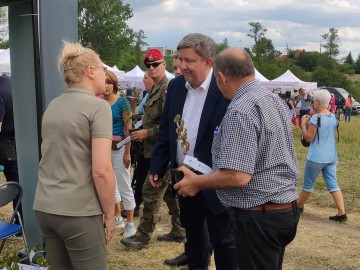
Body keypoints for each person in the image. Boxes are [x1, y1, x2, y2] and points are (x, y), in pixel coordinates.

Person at [174, 47, 300, 270]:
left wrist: (196, 182)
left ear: (221, 77)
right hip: (284, 210)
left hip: (258, 216)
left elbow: (237, 176)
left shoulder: (240, 110)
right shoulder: (273, 101)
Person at [149, 33, 237, 270]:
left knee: (224, 240)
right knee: (195, 235)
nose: (182, 66)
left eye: (189, 61)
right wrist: (158, 165)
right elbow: (168, 128)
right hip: (184, 176)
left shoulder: (224, 89)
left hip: (214, 179)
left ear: (208, 62)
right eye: (180, 59)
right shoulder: (176, 86)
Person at [33, 42, 116, 270]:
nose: (105, 74)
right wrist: (110, 215)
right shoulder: (98, 107)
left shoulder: (53, 105)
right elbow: (102, 170)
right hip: (79, 211)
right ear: (90, 71)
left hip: (45, 206)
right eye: (102, 68)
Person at [121, 48, 186, 248]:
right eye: (148, 65)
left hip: (164, 150)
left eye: (155, 64)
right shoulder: (155, 90)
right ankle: (179, 229)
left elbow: (171, 125)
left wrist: (147, 133)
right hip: (155, 150)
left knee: (150, 191)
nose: (151, 69)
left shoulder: (168, 89)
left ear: (163, 65)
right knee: (168, 193)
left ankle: (143, 235)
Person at [298, 89, 347, 222]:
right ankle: (341, 212)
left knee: (308, 184)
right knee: (333, 184)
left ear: (318, 102)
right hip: (331, 156)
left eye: (313, 101)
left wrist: (303, 123)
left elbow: (308, 138)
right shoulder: (333, 116)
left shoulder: (316, 118)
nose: (312, 103)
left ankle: (298, 206)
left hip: (316, 157)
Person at [103, 70, 136, 238]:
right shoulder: (99, 102)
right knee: (109, 184)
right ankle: (117, 217)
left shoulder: (123, 102)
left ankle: (130, 223)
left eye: (108, 82)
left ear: (114, 84)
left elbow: (129, 129)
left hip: (119, 149)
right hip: (103, 149)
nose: (105, 86)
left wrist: (127, 153)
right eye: (103, 82)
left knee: (124, 184)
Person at [0, 73, 22, 226]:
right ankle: (21, 223)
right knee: (18, 184)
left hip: (3, 145)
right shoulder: (12, 82)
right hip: (16, 143)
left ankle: (20, 224)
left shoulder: (0, 89)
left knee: (15, 185)